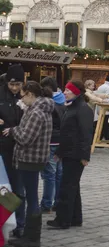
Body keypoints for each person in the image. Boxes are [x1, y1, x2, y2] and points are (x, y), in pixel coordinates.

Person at [4, 81, 53, 247]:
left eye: (23, 96)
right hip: (31, 159)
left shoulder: (37, 113)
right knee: (31, 196)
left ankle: (32, 237)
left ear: (31, 94)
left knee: (32, 198)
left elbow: (25, 138)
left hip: (30, 159)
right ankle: (29, 235)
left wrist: (12, 130)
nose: (21, 100)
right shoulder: (37, 110)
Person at [47, 80, 93, 230]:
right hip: (67, 152)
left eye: (68, 90)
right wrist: (60, 152)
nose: (65, 92)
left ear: (76, 92)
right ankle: (75, 217)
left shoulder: (83, 109)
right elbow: (66, 133)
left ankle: (63, 219)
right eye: (65, 89)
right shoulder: (71, 107)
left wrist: (85, 156)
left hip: (76, 154)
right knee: (73, 186)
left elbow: (86, 134)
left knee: (67, 186)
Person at [0, 64, 24, 236]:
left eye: (17, 85)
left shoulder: (27, 95)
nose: (14, 88)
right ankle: (5, 221)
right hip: (3, 148)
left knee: (18, 188)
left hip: (20, 148)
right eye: (11, 84)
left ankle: (20, 224)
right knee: (4, 188)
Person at [40, 77, 66, 213]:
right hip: (60, 141)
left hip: (50, 141)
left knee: (49, 174)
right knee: (58, 173)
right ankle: (57, 202)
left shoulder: (48, 105)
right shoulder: (63, 102)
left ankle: (46, 203)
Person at [96, 75, 109, 140]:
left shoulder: (100, 86)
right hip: (105, 108)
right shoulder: (108, 88)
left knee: (103, 123)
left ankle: (102, 138)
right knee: (104, 124)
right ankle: (106, 138)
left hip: (99, 107)